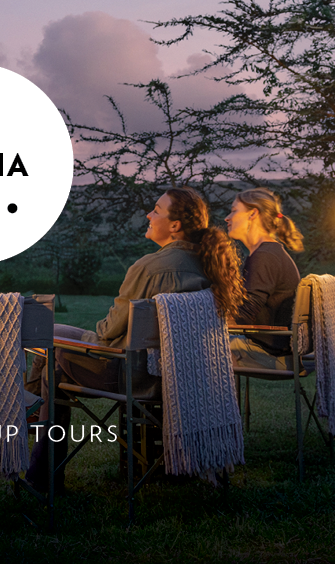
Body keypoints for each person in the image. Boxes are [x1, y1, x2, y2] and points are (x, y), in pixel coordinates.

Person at [26, 186, 245, 491]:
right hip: (181, 375)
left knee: (51, 357)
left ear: (175, 225)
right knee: (49, 335)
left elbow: (106, 334)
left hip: (131, 375)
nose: (148, 214)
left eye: (156, 209)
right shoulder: (211, 265)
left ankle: (40, 467)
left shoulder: (150, 268)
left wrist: (90, 336)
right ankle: (34, 425)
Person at [224, 187, 303, 370]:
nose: (228, 218)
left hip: (270, 354)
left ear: (252, 213)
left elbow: (244, 317)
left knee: (196, 347)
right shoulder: (268, 252)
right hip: (272, 347)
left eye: (234, 211)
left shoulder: (265, 256)